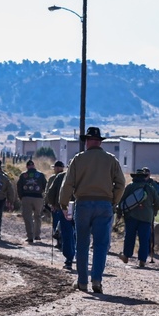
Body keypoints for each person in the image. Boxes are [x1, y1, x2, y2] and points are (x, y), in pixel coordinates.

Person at [58, 126, 126, 294]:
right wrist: (113, 201)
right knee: (101, 245)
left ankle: (82, 282)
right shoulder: (111, 160)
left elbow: (68, 184)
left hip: (83, 204)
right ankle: (96, 280)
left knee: (81, 244)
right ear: (100, 142)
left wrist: (63, 203)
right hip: (104, 205)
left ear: (87, 141)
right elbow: (121, 184)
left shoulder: (78, 159)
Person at [118, 169, 159, 268]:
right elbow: (157, 202)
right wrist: (153, 212)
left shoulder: (130, 187)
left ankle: (126, 256)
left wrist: (119, 213)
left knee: (129, 237)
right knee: (144, 239)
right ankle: (142, 260)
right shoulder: (151, 188)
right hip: (146, 218)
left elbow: (122, 201)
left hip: (131, 216)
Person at [45, 160, 75, 270]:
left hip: (65, 208)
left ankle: (69, 259)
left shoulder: (61, 177)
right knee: (80, 234)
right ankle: (81, 258)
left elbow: (50, 193)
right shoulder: (85, 177)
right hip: (82, 208)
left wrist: (53, 204)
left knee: (67, 234)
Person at [16, 159, 48, 243]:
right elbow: (46, 186)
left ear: (27, 167)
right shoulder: (40, 175)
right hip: (38, 198)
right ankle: (37, 235)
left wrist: (21, 197)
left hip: (26, 197)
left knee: (28, 217)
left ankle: (30, 236)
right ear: (34, 166)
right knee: (37, 216)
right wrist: (45, 197)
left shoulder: (23, 175)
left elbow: (19, 187)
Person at [142, 167, 159, 263]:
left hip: (149, 210)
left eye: (147, 173)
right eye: (144, 173)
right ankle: (145, 249)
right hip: (141, 210)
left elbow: (158, 199)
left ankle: (149, 249)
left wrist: (155, 209)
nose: (146, 175)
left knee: (149, 230)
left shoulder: (154, 185)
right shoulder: (140, 183)